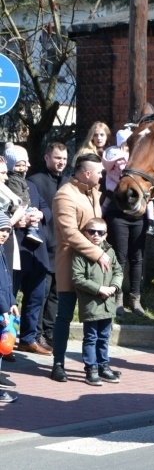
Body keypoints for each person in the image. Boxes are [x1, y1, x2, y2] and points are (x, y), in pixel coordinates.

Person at [50, 153, 105, 383]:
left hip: (93, 267)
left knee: (97, 318)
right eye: (99, 171)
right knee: (64, 317)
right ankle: (58, 364)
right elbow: (70, 233)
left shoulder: (93, 192)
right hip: (71, 266)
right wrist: (98, 253)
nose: (102, 174)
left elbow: (98, 228)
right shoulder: (65, 195)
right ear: (87, 173)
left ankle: (97, 366)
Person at [5, 146, 53, 356]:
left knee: (36, 296)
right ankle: (7, 341)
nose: (24, 167)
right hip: (15, 249)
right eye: (19, 164)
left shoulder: (31, 185)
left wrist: (39, 216)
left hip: (36, 251)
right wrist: (18, 221)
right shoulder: (4, 186)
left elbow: (46, 208)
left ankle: (28, 338)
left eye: (25, 163)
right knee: (9, 299)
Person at [72, 217, 123, 385]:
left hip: (108, 303)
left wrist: (114, 287)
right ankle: (91, 368)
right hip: (91, 304)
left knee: (104, 337)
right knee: (91, 337)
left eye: (100, 232)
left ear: (105, 235)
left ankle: (103, 366)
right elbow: (77, 278)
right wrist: (98, 289)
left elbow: (118, 272)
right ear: (85, 233)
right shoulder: (80, 253)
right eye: (91, 231)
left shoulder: (110, 251)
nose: (95, 235)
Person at [28, 142, 69, 349]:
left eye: (64, 158)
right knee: (40, 294)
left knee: (56, 293)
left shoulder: (69, 182)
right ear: (46, 158)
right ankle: (34, 335)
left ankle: (49, 332)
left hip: (62, 248)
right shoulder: (34, 181)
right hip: (42, 247)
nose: (61, 162)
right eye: (57, 158)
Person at [100, 145, 146, 317]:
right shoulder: (114, 163)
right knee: (120, 257)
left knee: (137, 258)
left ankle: (135, 298)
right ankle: (117, 297)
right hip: (118, 215)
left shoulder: (138, 163)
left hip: (137, 216)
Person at [0, 213, 19, 403]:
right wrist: (4, 310)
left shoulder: (1, 251)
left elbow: (6, 283)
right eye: (1, 230)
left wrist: (12, 301)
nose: (4, 234)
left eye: (7, 230)